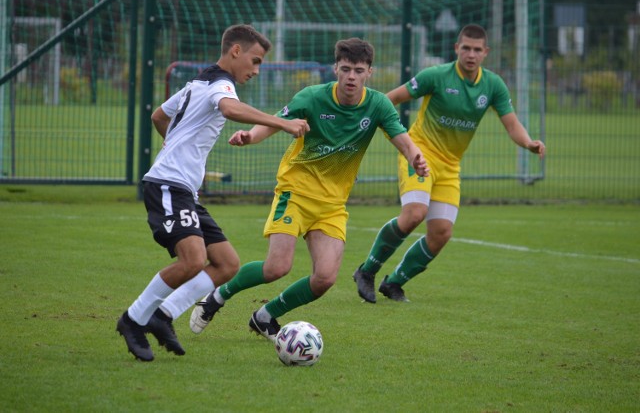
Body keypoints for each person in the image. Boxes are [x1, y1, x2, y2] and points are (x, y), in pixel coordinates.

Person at [188, 37, 429, 341]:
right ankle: (217, 297)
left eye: (358, 70)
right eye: (345, 69)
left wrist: (415, 157)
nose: (351, 76)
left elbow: (402, 138)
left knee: (325, 278)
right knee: (277, 267)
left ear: (369, 72)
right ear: (335, 69)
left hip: (332, 205)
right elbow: (275, 122)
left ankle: (265, 316)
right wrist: (251, 136)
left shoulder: (378, 105)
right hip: (295, 193)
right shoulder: (313, 97)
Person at [115, 24, 310, 361]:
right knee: (192, 260)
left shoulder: (197, 83)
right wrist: (284, 123)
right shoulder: (221, 86)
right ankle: (133, 320)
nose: (256, 69)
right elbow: (231, 110)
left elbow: (159, 115)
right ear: (235, 51)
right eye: (256, 60)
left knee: (227, 263)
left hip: (183, 188)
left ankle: (163, 317)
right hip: (168, 184)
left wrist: (174, 146)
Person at [352, 23, 546, 303]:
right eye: (465, 47)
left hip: (450, 165)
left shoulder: (493, 85)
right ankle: (367, 271)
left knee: (441, 232)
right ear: (456, 48)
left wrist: (528, 142)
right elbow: (391, 98)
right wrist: (366, 122)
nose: (471, 54)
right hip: (419, 154)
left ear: (485, 52)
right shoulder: (437, 76)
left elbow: (512, 123)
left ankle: (393, 283)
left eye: (477, 49)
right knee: (415, 213)